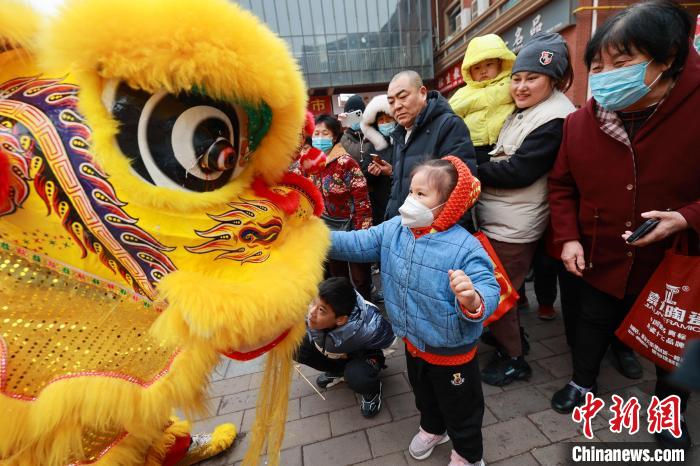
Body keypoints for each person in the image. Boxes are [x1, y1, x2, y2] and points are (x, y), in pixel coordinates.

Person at [548, 0, 698, 449]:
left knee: (672, 343)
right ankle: (583, 383)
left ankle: (668, 415)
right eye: (597, 64)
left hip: (676, 264)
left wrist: (686, 218)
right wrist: (568, 238)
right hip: (599, 253)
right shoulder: (580, 123)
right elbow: (561, 186)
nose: (606, 74)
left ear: (666, 59)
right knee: (591, 322)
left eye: (621, 61)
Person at [330, 156, 500, 466]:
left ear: (448, 203)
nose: (411, 200)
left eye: (422, 195)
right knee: (424, 394)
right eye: (411, 192)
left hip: (451, 351)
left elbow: (489, 287)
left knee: (461, 408)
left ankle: (468, 454)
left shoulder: (465, 246)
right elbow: (356, 242)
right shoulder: (396, 229)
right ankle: (433, 429)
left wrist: (474, 300)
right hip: (413, 341)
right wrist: (311, 239)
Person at [474, 32, 576, 387]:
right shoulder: (527, 112)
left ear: (556, 79)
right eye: (517, 78)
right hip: (502, 216)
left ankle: (515, 359)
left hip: (514, 226)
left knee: (500, 292)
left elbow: (519, 170)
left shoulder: (555, 118)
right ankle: (507, 338)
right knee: (501, 289)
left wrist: (469, 171)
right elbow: (500, 154)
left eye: (531, 78)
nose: (520, 86)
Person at [378, 70, 476, 220]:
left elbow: (461, 191)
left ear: (423, 93)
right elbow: (398, 185)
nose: (397, 106)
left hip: (433, 233)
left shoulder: (448, 126)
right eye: (391, 102)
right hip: (403, 227)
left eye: (403, 97)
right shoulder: (400, 134)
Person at [294, 277, 395, 418]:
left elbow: (390, 341)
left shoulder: (369, 327)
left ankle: (372, 389)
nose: (311, 312)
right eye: (313, 302)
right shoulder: (314, 311)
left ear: (341, 319)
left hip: (364, 354)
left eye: (321, 310)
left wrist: (361, 356)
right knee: (295, 346)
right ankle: (340, 371)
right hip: (336, 350)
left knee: (356, 376)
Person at [311, 114, 373, 300]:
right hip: (328, 230)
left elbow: (362, 200)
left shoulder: (346, 163)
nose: (319, 137)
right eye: (316, 133)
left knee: (360, 278)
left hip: (353, 229)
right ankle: (344, 312)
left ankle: (365, 308)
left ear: (335, 136)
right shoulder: (314, 163)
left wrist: (363, 234)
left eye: (324, 133)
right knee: (338, 278)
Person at [449, 33, 516, 163]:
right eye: (477, 67)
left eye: (489, 64)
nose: (483, 71)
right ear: (469, 70)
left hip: (504, 142)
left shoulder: (510, 83)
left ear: (500, 63)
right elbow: (451, 114)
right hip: (473, 145)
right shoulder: (463, 93)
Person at [360, 94, 395, 226]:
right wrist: (370, 173)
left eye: (388, 119)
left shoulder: (405, 143)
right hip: (379, 207)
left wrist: (391, 172)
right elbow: (363, 175)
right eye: (381, 120)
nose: (385, 123)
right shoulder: (373, 146)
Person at [339, 94, 365, 164]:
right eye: (350, 115)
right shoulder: (342, 139)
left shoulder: (373, 134)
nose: (354, 119)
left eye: (357, 114)